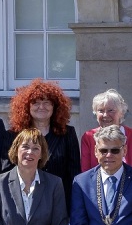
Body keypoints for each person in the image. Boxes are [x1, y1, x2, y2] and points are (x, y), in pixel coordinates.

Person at [8, 79, 80, 210]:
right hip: (23, 203)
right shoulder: (13, 135)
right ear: (26, 107)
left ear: (55, 107)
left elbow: (74, 173)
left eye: (47, 103)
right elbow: (7, 171)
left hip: (58, 203)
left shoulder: (68, 133)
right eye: (36, 103)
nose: (42, 107)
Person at [79, 89, 132, 172]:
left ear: (121, 113)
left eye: (111, 110)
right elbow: (86, 171)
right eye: (100, 111)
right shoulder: (88, 137)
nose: (105, 115)